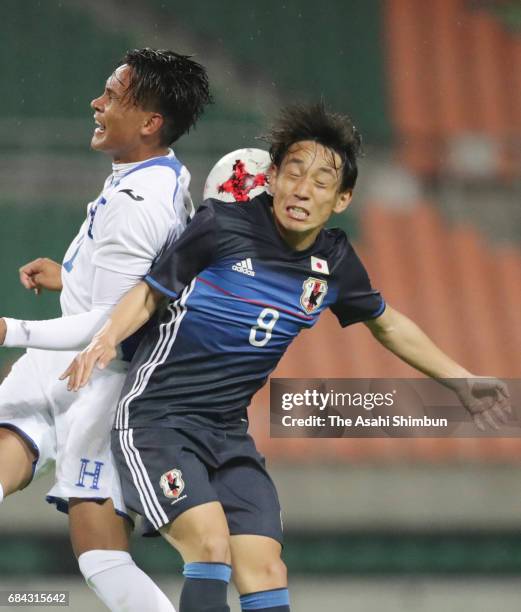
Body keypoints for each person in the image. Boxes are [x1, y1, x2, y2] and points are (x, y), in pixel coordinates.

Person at [63, 102, 510, 612]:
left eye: (322, 181)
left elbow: (386, 323)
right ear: (271, 177)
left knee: (267, 570)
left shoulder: (335, 261)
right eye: (293, 173)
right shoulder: (220, 226)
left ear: (343, 199)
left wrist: (460, 380)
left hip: (227, 433)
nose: (303, 189)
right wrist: (104, 339)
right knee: (210, 546)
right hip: (157, 420)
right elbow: (149, 292)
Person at [0, 47, 211, 611]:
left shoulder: (141, 203)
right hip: (67, 363)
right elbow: (117, 288)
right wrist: (69, 275)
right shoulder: (145, 177)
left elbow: (113, 322)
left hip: (107, 379)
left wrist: (9, 330)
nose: (96, 102)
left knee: (99, 556)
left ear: (149, 122)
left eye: (112, 96)